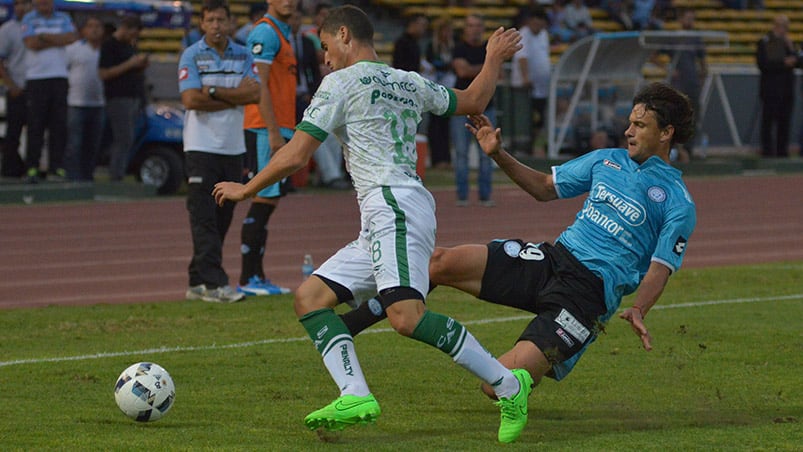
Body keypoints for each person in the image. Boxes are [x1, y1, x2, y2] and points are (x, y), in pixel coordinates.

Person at [212, 5, 531, 443]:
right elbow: (473, 101)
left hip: (393, 206)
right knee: (310, 298)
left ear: (343, 35)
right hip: (389, 210)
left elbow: (298, 153)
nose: (324, 58)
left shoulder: (339, 83)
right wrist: (493, 58)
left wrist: (247, 189)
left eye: (325, 47)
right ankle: (355, 392)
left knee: (406, 317)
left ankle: (509, 384)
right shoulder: (407, 80)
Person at [339, 82, 697, 417]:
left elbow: (660, 267)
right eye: (630, 123)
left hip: (586, 298)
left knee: (494, 386)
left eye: (640, 125)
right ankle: (347, 326)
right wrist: (497, 154)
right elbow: (543, 187)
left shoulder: (677, 202)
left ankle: (535, 367)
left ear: (666, 134)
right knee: (438, 263)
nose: (629, 132)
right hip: (553, 261)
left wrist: (638, 308)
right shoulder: (607, 160)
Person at [180, 0, 260, 303]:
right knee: (203, 217)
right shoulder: (191, 55)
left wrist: (212, 91)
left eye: (220, 20)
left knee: (223, 218)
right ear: (202, 24)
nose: (216, 25)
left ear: (229, 23)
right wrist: (233, 98)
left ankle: (197, 279)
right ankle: (215, 284)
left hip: (232, 146)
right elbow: (190, 100)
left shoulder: (242, 54)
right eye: (210, 20)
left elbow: (254, 93)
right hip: (200, 146)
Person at [237, 0, 298, 296]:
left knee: (268, 201)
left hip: (278, 126)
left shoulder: (283, 32)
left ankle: (257, 275)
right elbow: (258, 85)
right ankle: (250, 278)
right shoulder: (266, 33)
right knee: (263, 199)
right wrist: (273, 132)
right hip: (265, 128)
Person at [289, 7, 349, 190]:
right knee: (315, 133)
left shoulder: (306, 42)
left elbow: (314, 73)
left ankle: (330, 175)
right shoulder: (278, 43)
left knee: (332, 133)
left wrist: (315, 95)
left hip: (306, 96)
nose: (295, 22)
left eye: (298, 18)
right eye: (292, 18)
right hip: (287, 100)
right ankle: (331, 176)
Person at [20, 0, 78, 183]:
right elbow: (31, 43)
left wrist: (44, 37)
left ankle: (57, 168)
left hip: (59, 77)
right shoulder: (29, 18)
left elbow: (70, 38)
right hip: (36, 79)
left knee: (59, 126)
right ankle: (32, 168)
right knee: (35, 126)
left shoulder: (63, 17)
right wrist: (56, 40)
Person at [451, 14, 496, 207]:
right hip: (461, 108)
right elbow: (462, 71)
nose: (474, 29)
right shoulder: (459, 48)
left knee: (488, 153)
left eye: (478, 25)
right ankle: (462, 195)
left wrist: (479, 69)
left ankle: (485, 195)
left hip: (487, 107)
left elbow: (497, 72)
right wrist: (487, 69)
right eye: (471, 25)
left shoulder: (489, 48)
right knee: (461, 153)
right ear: (465, 29)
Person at [98, 14, 148, 182]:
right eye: (133, 33)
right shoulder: (109, 45)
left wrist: (140, 65)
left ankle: (119, 172)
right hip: (118, 98)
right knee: (123, 138)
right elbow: (103, 73)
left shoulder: (129, 45)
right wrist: (130, 64)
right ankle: (116, 175)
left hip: (133, 97)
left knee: (128, 138)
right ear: (125, 28)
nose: (134, 38)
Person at [654, 8, 706, 160]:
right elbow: (654, 55)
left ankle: (689, 150)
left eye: (692, 19)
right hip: (678, 85)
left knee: (694, 117)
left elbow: (703, 61)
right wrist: (668, 69)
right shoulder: (674, 38)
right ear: (681, 20)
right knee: (676, 116)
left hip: (693, 84)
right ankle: (675, 150)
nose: (690, 22)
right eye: (687, 18)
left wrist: (702, 76)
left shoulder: (696, 38)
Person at [64, 15, 105, 181]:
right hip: (76, 102)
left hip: (99, 103)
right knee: (75, 143)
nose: (94, 29)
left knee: (93, 145)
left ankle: (88, 177)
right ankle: (73, 178)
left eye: (97, 26)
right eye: (90, 26)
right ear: (83, 30)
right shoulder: (73, 49)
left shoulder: (106, 50)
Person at [756, 14, 798, 158]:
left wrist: (791, 48)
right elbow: (764, 64)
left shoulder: (788, 43)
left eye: (786, 26)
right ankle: (767, 152)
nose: (784, 30)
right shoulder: (765, 41)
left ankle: (782, 152)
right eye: (782, 26)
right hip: (771, 89)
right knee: (768, 121)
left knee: (784, 122)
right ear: (776, 25)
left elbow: (797, 60)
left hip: (786, 89)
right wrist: (783, 63)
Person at [510, 6, 550, 157]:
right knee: (527, 119)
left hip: (541, 87)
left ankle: (535, 146)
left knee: (538, 119)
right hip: (524, 87)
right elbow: (522, 57)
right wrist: (526, 77)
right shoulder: (524, 34)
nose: (538, 26)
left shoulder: (544, 35)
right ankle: (523, 147)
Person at [0, 0, 32, 178]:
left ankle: (32, 170)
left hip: (37, 87)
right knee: (14, 132)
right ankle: (9, 171)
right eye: (18, 3)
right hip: (17, 88)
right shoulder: (8, 29)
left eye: (25, 3)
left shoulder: (39, 26)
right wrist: (11, 85)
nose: (21, 7)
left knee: (36, 132)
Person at [425, 15, 455, 170]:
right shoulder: (433, 46)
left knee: (446, 125)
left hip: (449, 86)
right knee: (435, 125)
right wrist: (446, 66)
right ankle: (437, 158)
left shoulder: (451, 46)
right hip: (436, 86)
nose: (448, 34)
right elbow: (433, 63)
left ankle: (446, 158)